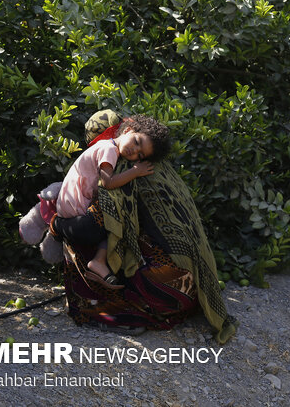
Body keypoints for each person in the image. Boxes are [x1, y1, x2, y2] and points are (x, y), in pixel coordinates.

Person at [49, 110, 237, 343]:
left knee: (87, 229)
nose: (134, 152)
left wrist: (56, 224)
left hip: (163, 289)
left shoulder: (121, 167)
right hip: (194, 289)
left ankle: (98, 307)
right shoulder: (159, 167)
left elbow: (87, 230)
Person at [56, 114, 170, 288]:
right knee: (117, 215)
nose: (134, 151)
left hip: (74, 213)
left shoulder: (109, 149)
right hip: (77, 217)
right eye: (137, 142)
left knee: (116, 218)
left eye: (140, 155)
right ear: (129, 130)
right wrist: (135, 171)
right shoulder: (108, 148)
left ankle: (98, 261)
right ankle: (96, 259)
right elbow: (108, 183)